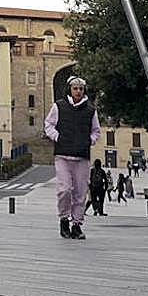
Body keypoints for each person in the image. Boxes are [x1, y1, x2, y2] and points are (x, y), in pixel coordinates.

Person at [44, 75, 100, 240]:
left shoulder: (90, 110)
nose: (78, 91)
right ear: (69, 89)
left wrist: (89, 141)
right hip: (63, 155)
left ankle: (77, 224)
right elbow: (49, 125)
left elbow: (96, 131)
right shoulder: (58, 107)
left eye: (81, 89)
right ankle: (63, 219)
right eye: (75, 88)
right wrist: (57, 137)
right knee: (65, 189)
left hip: (82, 157)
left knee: (80, 192)